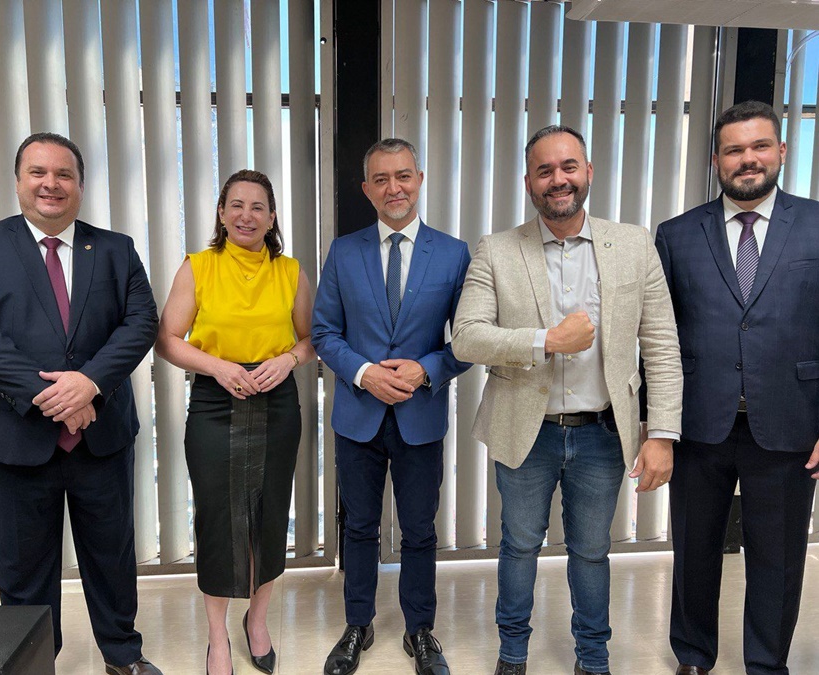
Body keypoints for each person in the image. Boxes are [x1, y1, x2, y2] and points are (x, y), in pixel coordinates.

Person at [452, 125, 683, 675]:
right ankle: (512, 654)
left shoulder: (633, 244)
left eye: (569, 166)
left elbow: (661, 345)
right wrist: (546, 341)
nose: (558, 179)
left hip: (603, 432)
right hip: (525, 430)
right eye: (545, 170)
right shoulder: (496, 250)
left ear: (588, 172)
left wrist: (662, 434)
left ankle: (593, 658)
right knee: (519, 544)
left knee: (592, 551)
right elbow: (466, 337)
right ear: (528, 182)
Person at [0, 132, 161, 675]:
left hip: (102, 436)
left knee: (111, 557)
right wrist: (56, 396)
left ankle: (122, 655)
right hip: (17, 438)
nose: (51, 184)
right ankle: (33, 663)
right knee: (24, 568)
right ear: (18, 181)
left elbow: (140, 324)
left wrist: (89, 384)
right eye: (37, 172)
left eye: (64, 174)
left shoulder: (115, 248)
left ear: (80, 185)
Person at [655, 100, 819, 675]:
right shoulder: (677, 235)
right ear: (716, 160)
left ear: (781, 151)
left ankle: (766, 665)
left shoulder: (817, 224)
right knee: (693, 552)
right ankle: (693, 655)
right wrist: (658, 425)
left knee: (778, 560)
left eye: (759, 146)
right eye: (733, 150)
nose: (747, 159)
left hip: (791, 423)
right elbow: (658, 337)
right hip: (699, 425)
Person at [312, 138, 471, 675]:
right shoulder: (343, 251)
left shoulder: (453, 253)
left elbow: (469, 339)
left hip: (420, 416)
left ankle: (419, 629)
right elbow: (324, 332)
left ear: (419, 180)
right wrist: (364, 373)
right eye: (381, 179)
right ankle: (358, 625)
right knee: (359, 526)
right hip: (357, 416)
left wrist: (426, 369)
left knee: (419, 529)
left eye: (403, 176)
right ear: (366, 189)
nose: (393, 188)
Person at [155, 169, 314, 675]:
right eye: (237, 205)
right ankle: (217, 636)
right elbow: (168, 340)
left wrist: (288, 360)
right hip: (214, 401)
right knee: (218, 519)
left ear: (272, 218)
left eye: (258, 207)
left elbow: (313, 339)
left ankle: (257, 621)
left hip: (277, 400)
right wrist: (218, 367)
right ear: (222, 214)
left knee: (270, 514)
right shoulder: (198, 267)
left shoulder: (291, 272)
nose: (247, 215)